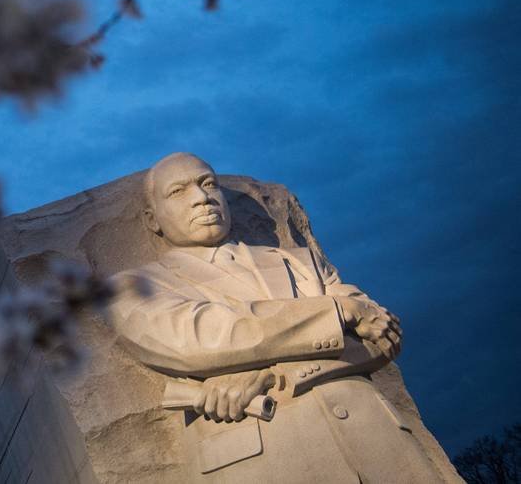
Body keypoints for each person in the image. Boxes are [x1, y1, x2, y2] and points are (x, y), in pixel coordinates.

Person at [105, 152, 446, 482]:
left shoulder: (301, 262)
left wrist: (272, 376)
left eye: (208, 184)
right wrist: (336, 311)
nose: (201, 198)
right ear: (152, 220)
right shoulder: (133, 287)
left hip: (380, 445)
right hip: (265, 459)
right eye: (178, 191)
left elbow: (383, 338)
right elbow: (198, 338)